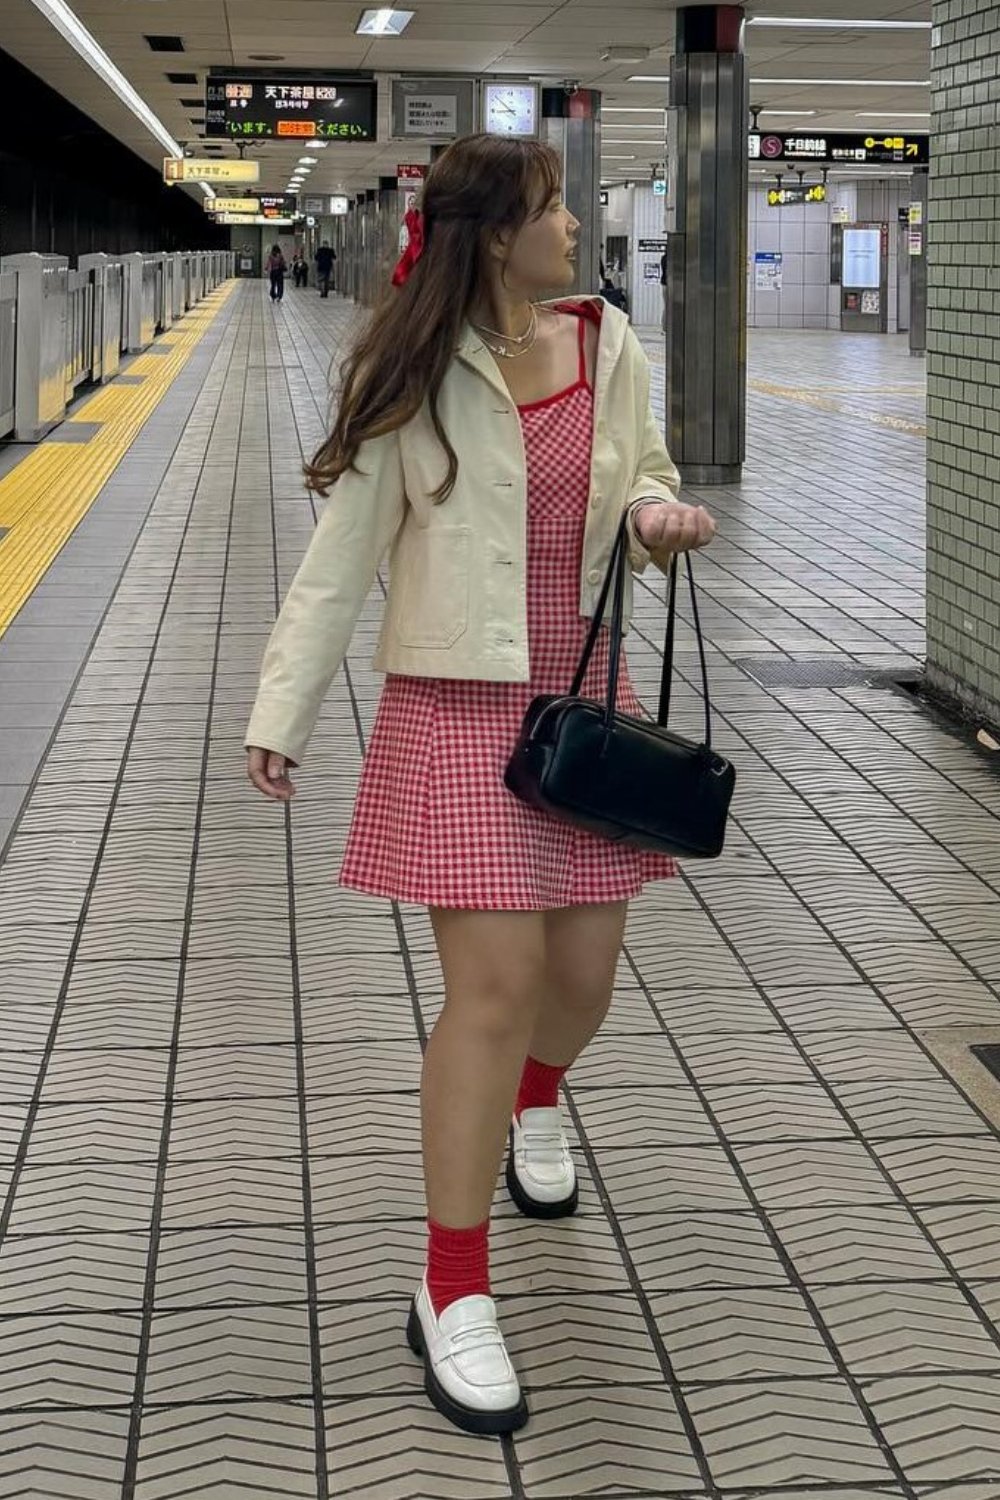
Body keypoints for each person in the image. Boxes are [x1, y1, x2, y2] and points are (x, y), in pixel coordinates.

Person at [245, 134, 715, 1436]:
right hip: (455, 707)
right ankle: (453, 1286)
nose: (578, 228)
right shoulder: (414, 365)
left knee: (582, 986)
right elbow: (344, 554)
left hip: (582, 703)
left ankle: (540, 1103)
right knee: (494, 990)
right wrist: (282, 710)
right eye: (556, 210)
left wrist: (661, 522)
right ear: (494, 234)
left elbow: (645, 485)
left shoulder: (607, 346)